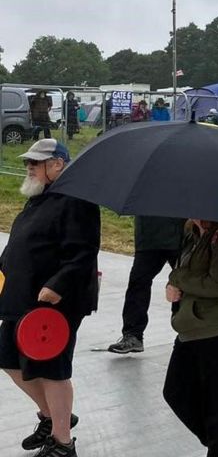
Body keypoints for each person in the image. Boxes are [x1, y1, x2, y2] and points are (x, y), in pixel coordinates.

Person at [0, 139, 99, 457]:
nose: (29, 167)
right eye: (28, 162)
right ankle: (55, 417)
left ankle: (63, 441)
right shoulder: (40, 196)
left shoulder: (76, 199)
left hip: (55, 302)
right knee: (7, 358)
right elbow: (23, 242)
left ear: (58, 164)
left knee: (52, 369)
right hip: (21, 295)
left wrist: (58, 285)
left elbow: (83, 251)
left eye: (36, 162)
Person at [163, 219, 218, 457]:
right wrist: (173, 285)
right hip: (192, 329)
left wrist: (178, 278)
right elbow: (189, 275)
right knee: (175, 391)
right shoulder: (193, 235)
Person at [107, 216, 186, 354]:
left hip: (180, 233)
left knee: (182, 284)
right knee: (138, 283)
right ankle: (133, 335)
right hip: (149, 236)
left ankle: (185, 333)